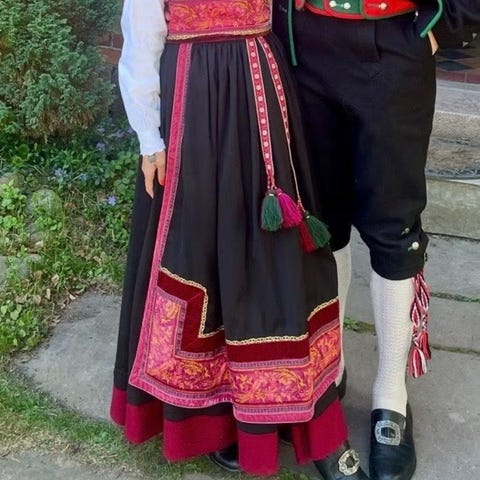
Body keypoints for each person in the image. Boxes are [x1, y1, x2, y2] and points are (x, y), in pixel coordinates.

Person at [110, 0, 370, 478]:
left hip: (263, 94)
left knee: (275, 258)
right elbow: (142, 35)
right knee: (205, 255)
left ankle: (297, 408)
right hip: (196, 99)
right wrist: (150, 137)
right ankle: (215, 417)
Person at [272, 1, 480, 479]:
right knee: (321, 222)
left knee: (393, 228)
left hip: (392, 41)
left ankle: (391, 394)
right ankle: (332, 369)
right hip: (304, 46)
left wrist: (440, 27)